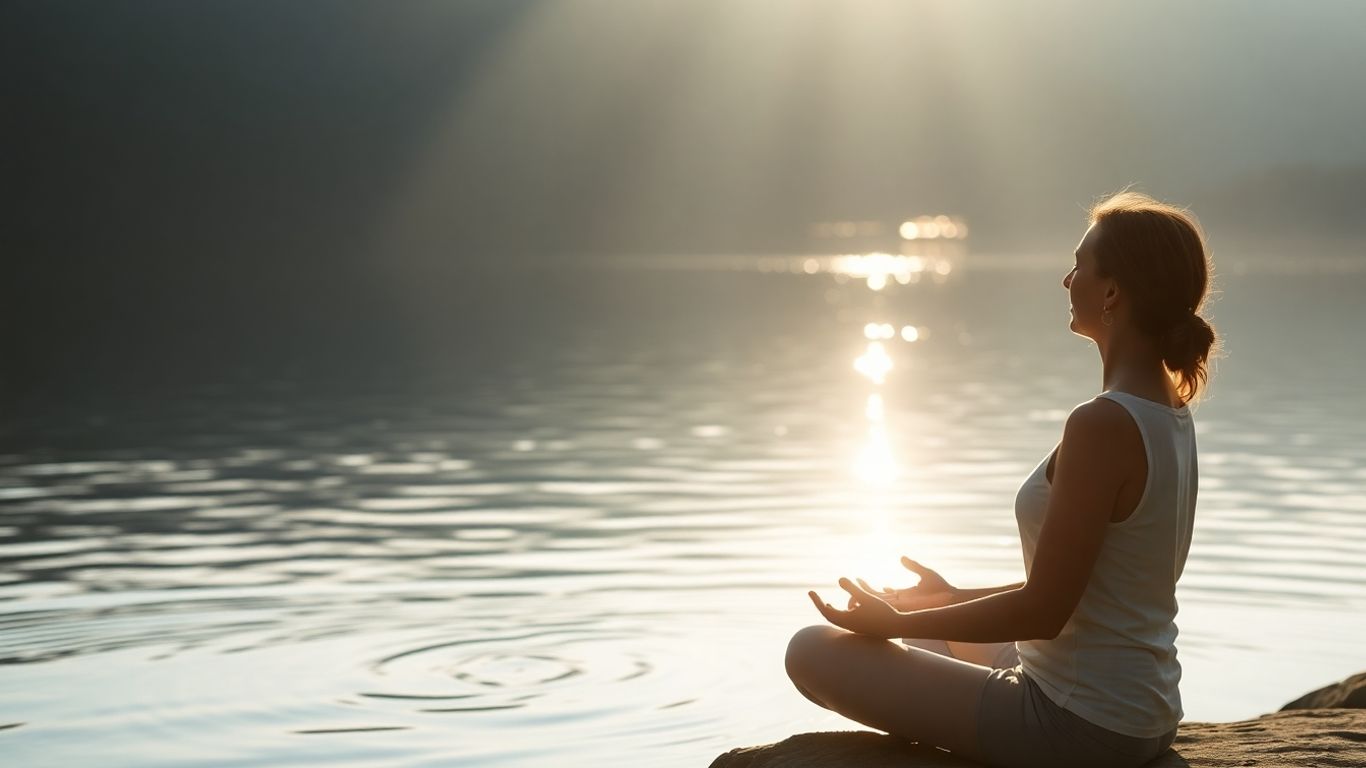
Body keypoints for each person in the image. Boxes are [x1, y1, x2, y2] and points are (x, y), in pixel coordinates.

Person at [785, 191, 1219, 768]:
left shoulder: (1103, 422)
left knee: (812, 650)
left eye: (1080, 266)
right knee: (921, 640)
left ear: (1113, 292)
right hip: (1140, 712)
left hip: (1078, 726)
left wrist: (898, 620)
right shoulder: (1168, 411)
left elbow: (1043, 612)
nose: (1067, 281)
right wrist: (945, 598)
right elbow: (1082, 593)